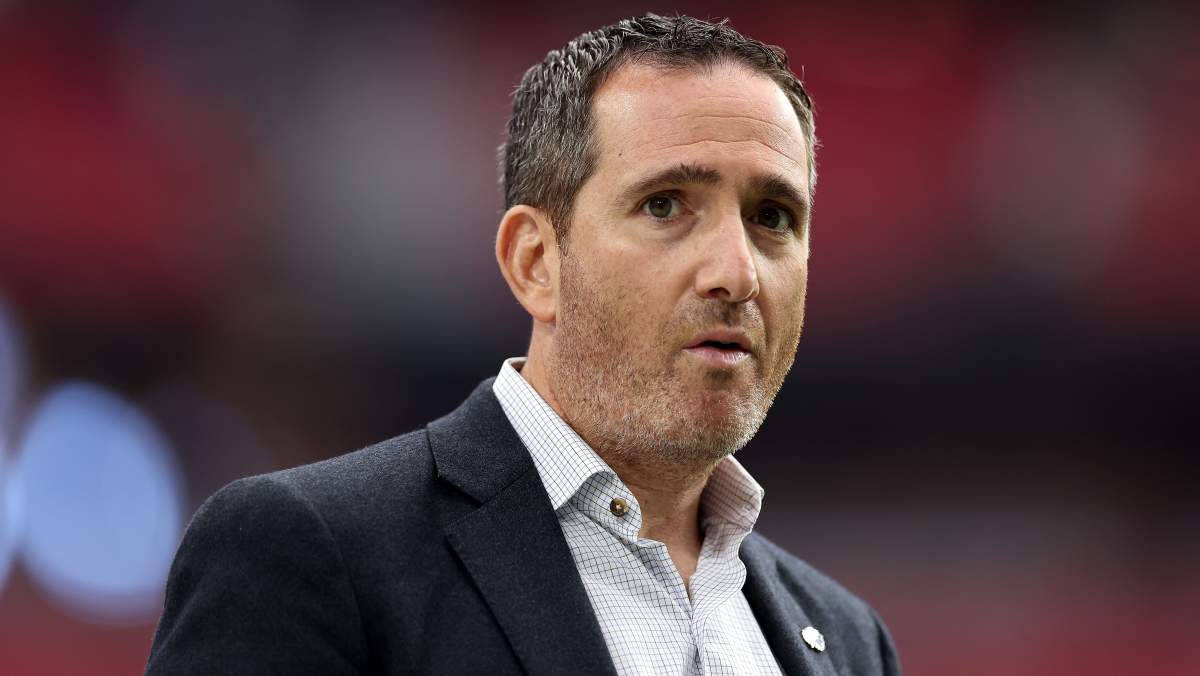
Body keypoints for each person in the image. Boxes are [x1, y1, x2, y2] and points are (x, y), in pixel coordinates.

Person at [146, 14, 899, 676]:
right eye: (665, 205)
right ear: (536, 262)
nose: (736, 272)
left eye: (773, 216)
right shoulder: (307, 552)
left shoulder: (848, 640)